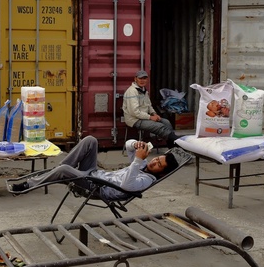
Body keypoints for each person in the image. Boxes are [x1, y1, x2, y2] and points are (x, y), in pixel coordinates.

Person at [10, 135, 179, 199]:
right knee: (91, 140)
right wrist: (135, 144)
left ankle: (27, 186)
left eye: (158, 165)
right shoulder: (143, 164)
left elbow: (127, 186)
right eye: (157, 159)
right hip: (95, 174)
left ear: (161, 172)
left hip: (97, 187)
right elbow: (127, 146)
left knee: (63, 171)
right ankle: (60, 171)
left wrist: (136, 161)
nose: (154, 162)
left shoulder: (145, 180)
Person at [122, 70, 179, 148]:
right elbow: (134, 112)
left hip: (144, 118)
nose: (142, 80)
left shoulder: (143, 90)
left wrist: (154, 114)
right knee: (159, 126)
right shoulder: (132, 91)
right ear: (135, 79)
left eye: (144, 78)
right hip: (134, 119)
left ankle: (172, 148)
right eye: (140, 78)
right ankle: (178, 143)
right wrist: (150, 117)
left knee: (166, 122)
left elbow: (149, 105)